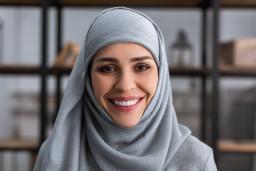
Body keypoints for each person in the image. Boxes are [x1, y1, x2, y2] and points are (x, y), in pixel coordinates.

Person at [33, 7, 217, 171]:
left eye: (141, 67)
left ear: (161, 75)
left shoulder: (196, 161)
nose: (125, 85)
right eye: (108, 68)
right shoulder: (54, 155)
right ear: (87, 77)